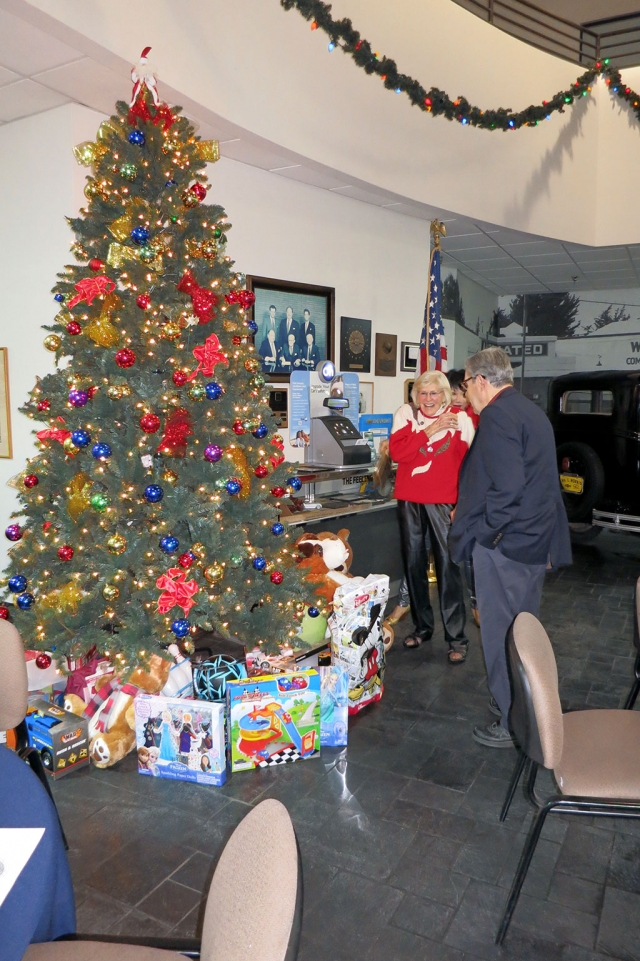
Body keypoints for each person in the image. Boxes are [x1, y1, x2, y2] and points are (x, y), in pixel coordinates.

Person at [449, 347, 571, 747]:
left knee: (503, 635)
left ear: (482, 382)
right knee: (523, 630)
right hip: (533, 542)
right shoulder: (530, 410)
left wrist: (488, 535)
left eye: (466, 384)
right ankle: (521, 702)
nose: (465, 393)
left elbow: (508, 488)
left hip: (508, 547)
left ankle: (511, 718)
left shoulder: (498, 416)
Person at [390, 370, 475, 663]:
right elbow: (398, 453)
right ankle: (422, 627)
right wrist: (431, 429)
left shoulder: (461, 419)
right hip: (410, 499)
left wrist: (462, 502)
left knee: (448, 567)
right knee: (413, 564)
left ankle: (456, 638)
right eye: (422, 393)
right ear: (416, 396)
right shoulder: (405, 414)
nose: (428, 399)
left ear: (445, 394)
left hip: (443, 502)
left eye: (434, 393)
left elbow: (471, 466)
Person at [447, 369, 480, 626]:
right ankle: (404, 600)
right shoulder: (443, 418)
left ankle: (476, 603)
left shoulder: (477, 420)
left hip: (467, 494)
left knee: (469, 553)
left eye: (461, 392)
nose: (457, 398)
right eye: (452, 393)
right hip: (444, 492)